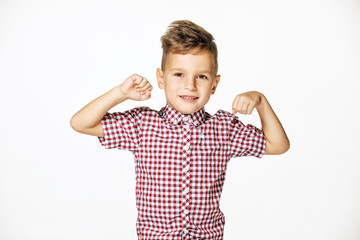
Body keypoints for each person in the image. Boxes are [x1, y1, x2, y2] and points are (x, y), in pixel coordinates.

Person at [70, 20, 289, 240]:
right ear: (161, 78)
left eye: (201, 76)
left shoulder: (224, 128)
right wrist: (120, 93)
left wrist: (261, 101)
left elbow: (278, 145)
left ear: (214, 84)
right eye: (179, 74)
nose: (190, 85)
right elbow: (81, 123)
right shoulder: (142, 125)